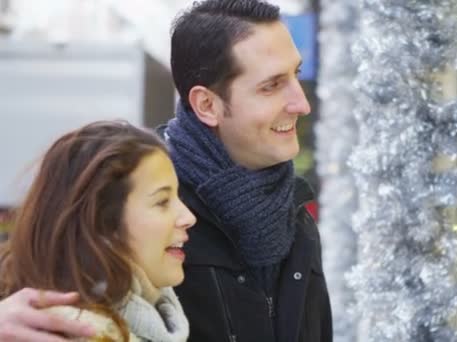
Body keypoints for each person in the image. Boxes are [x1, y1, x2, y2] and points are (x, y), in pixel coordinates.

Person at [161, 0, 332, 341]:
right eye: (271, 86)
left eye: (295, 75)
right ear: (207, 105)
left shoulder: (295, 216)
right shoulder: (146, 211)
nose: (301, 103)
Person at [0, 121, 195, 341]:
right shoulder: (74, 331)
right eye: (162, 201)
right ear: (102, 222)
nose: (188, 217)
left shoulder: (150, 322)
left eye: (178, 197)